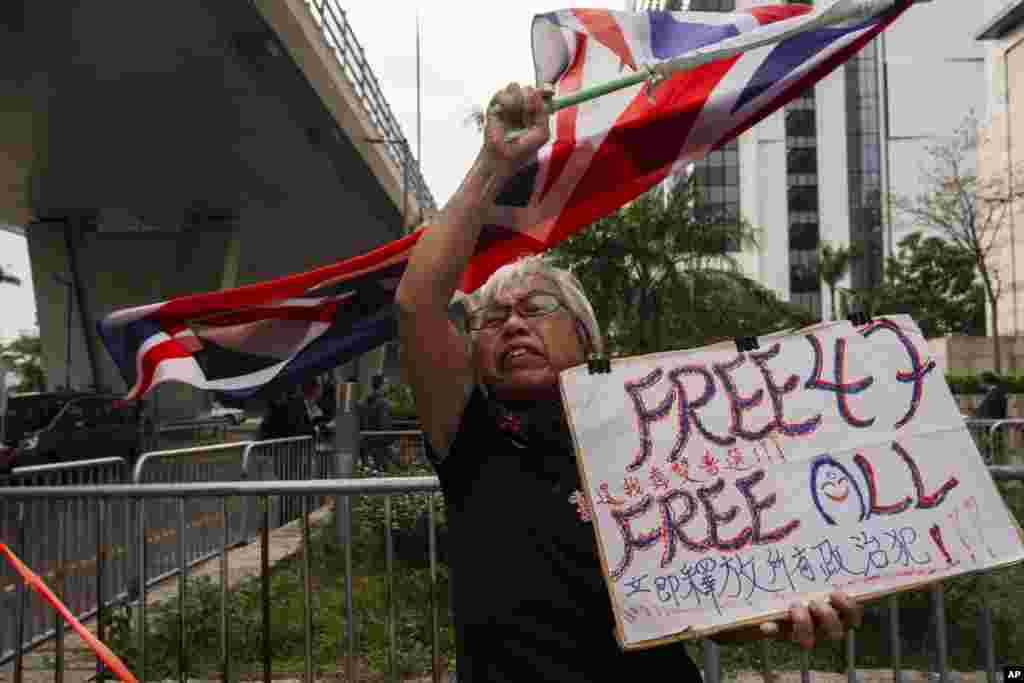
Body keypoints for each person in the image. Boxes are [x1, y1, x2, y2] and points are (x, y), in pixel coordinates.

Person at [395, 82, 863, 682]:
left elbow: (706, 597)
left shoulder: (659, 442)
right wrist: (495, 163)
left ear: (590, 341)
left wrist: (780, 609)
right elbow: (417, 305)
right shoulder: (472, 440)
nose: (512, 323)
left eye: (536, 307)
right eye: (492, 317)